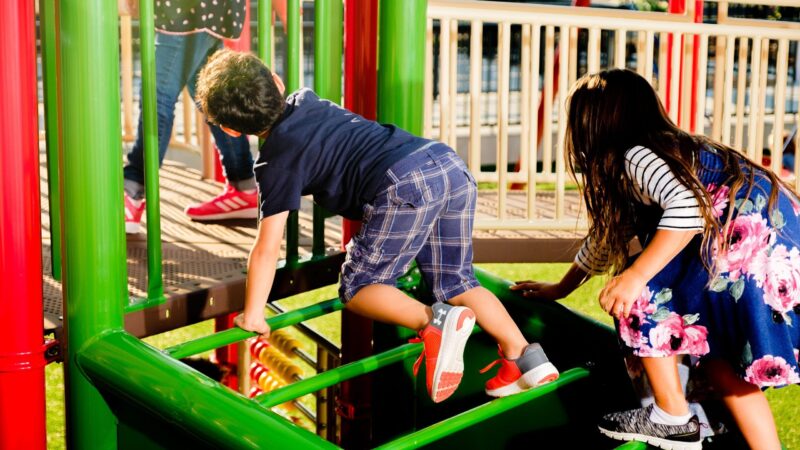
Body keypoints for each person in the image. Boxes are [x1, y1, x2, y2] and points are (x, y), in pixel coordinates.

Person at [194, 49, 561, 402]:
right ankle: (526, 358)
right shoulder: (308, 99)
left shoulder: (275, 164)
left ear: (230, 129)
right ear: (277, 82)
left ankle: (434, 321)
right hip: (446, 163)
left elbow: (268, 245)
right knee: (456, 280)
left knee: (359, 285)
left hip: (403, 183)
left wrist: (254, 312)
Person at [512, 69, 800, 449]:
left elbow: (686, 208)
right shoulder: (674, 150)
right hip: (773, 246)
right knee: (722, 365)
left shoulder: (638, 156)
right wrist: (562, 287)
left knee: (640, 292)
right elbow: (606, 236)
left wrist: (635, 276)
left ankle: (672, 416)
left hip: (743, 244)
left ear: (593, 126)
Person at [119, 0, 259, 233]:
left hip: (186, 9)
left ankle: (133, 190)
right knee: (212, 96)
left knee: (158, 97)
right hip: (212, 9)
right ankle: (244, 186)